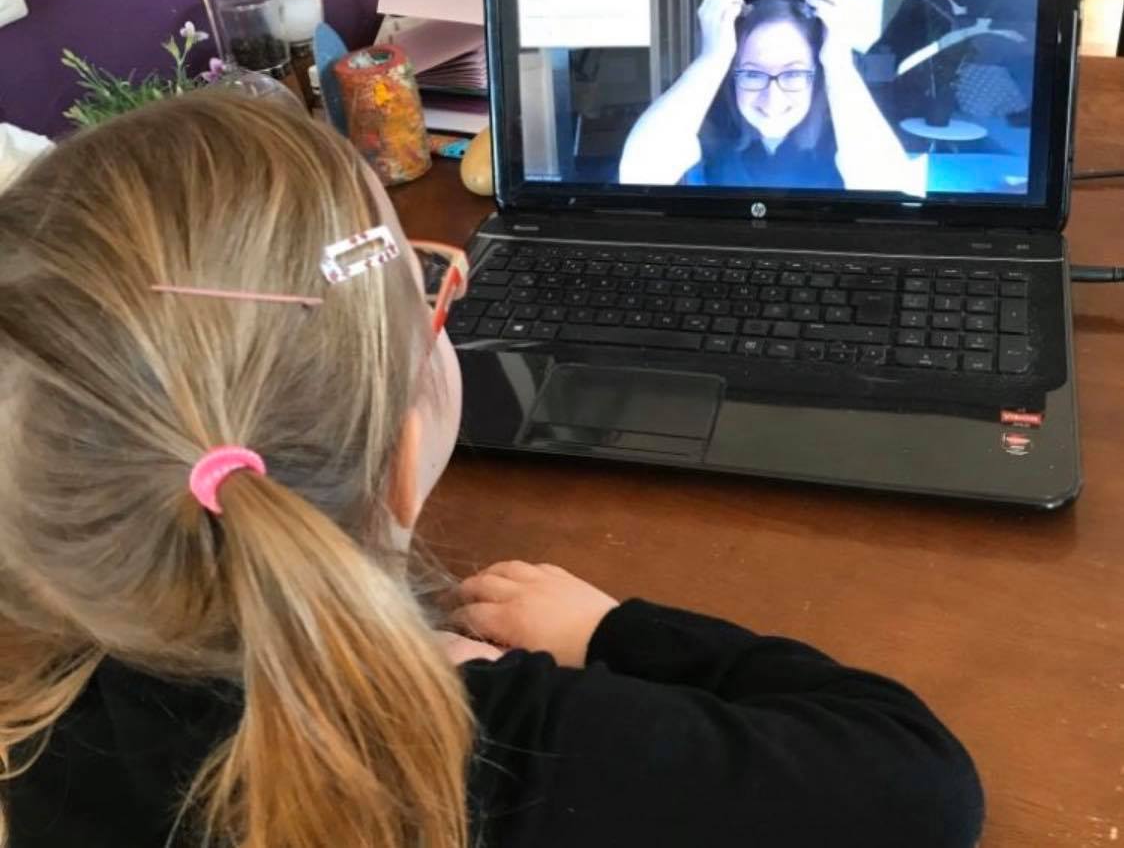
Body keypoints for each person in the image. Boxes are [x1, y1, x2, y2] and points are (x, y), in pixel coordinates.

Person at [0, 93, 983, 848]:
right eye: (425, 286)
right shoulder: (512, 749)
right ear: (401, 461)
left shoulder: (42, 737)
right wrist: (610, 631)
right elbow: (922, 786)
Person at [619, 0, 929, 195]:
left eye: (793, 74)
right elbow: (638, 175)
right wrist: (712, 57)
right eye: (753, 74)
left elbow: (888, 191)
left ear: (818, 71)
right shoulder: (704, 111)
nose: (772, 102)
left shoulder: (847, 115)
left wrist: (838, 61)